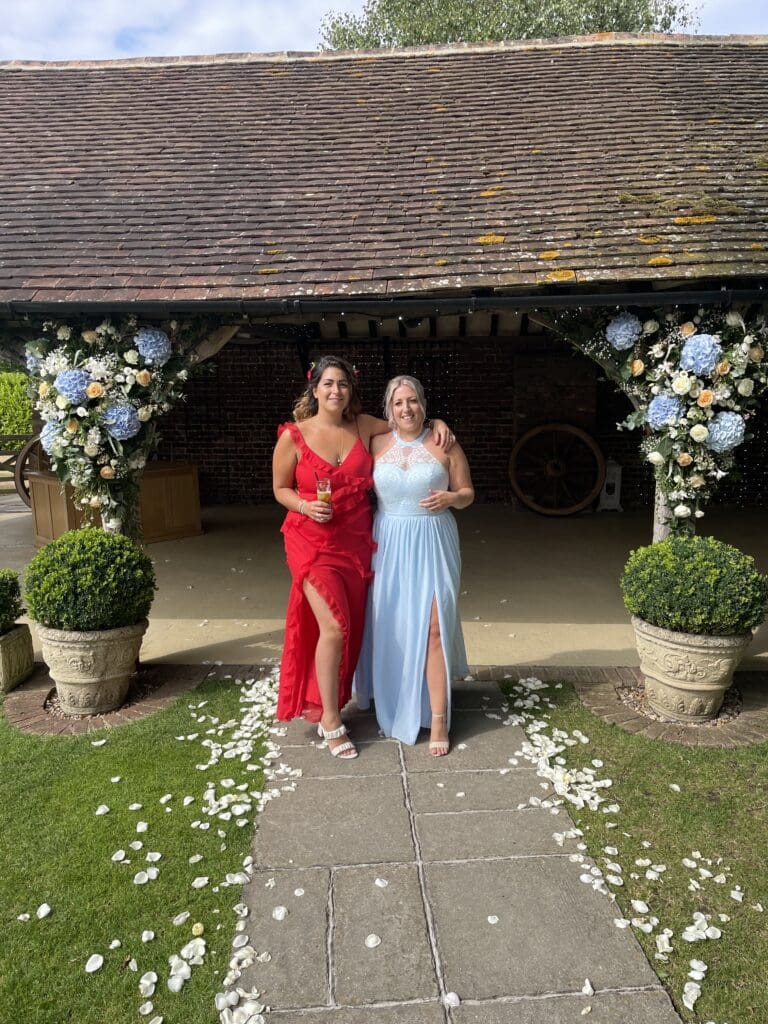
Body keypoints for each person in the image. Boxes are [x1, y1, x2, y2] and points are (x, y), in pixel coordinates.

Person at [272, 356, 454, 758]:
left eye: (343, 384)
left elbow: (407, 424)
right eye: (328, 383)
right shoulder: (293, 436)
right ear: (315, 389)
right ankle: (330, 719)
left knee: (352, 627)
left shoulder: (365, 427)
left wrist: (439, 422)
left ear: (350, 390)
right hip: (311, 540)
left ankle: (341, 697)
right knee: (334, 627)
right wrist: (303, 506)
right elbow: (280, 489)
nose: (336, 391)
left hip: (358, 543)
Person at [355, 375, 474, 755]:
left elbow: (467, 493)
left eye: (413, 401)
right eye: (398, 402)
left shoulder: (444, 443)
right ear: (389, 409)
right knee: (393, 624)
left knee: (434, 626)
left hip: (434, 541)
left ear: (424, 404)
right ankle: (395, 697)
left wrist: (452, 498)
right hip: (389, 542)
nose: (406, 408)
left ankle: (438, 718)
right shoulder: (375, 441)